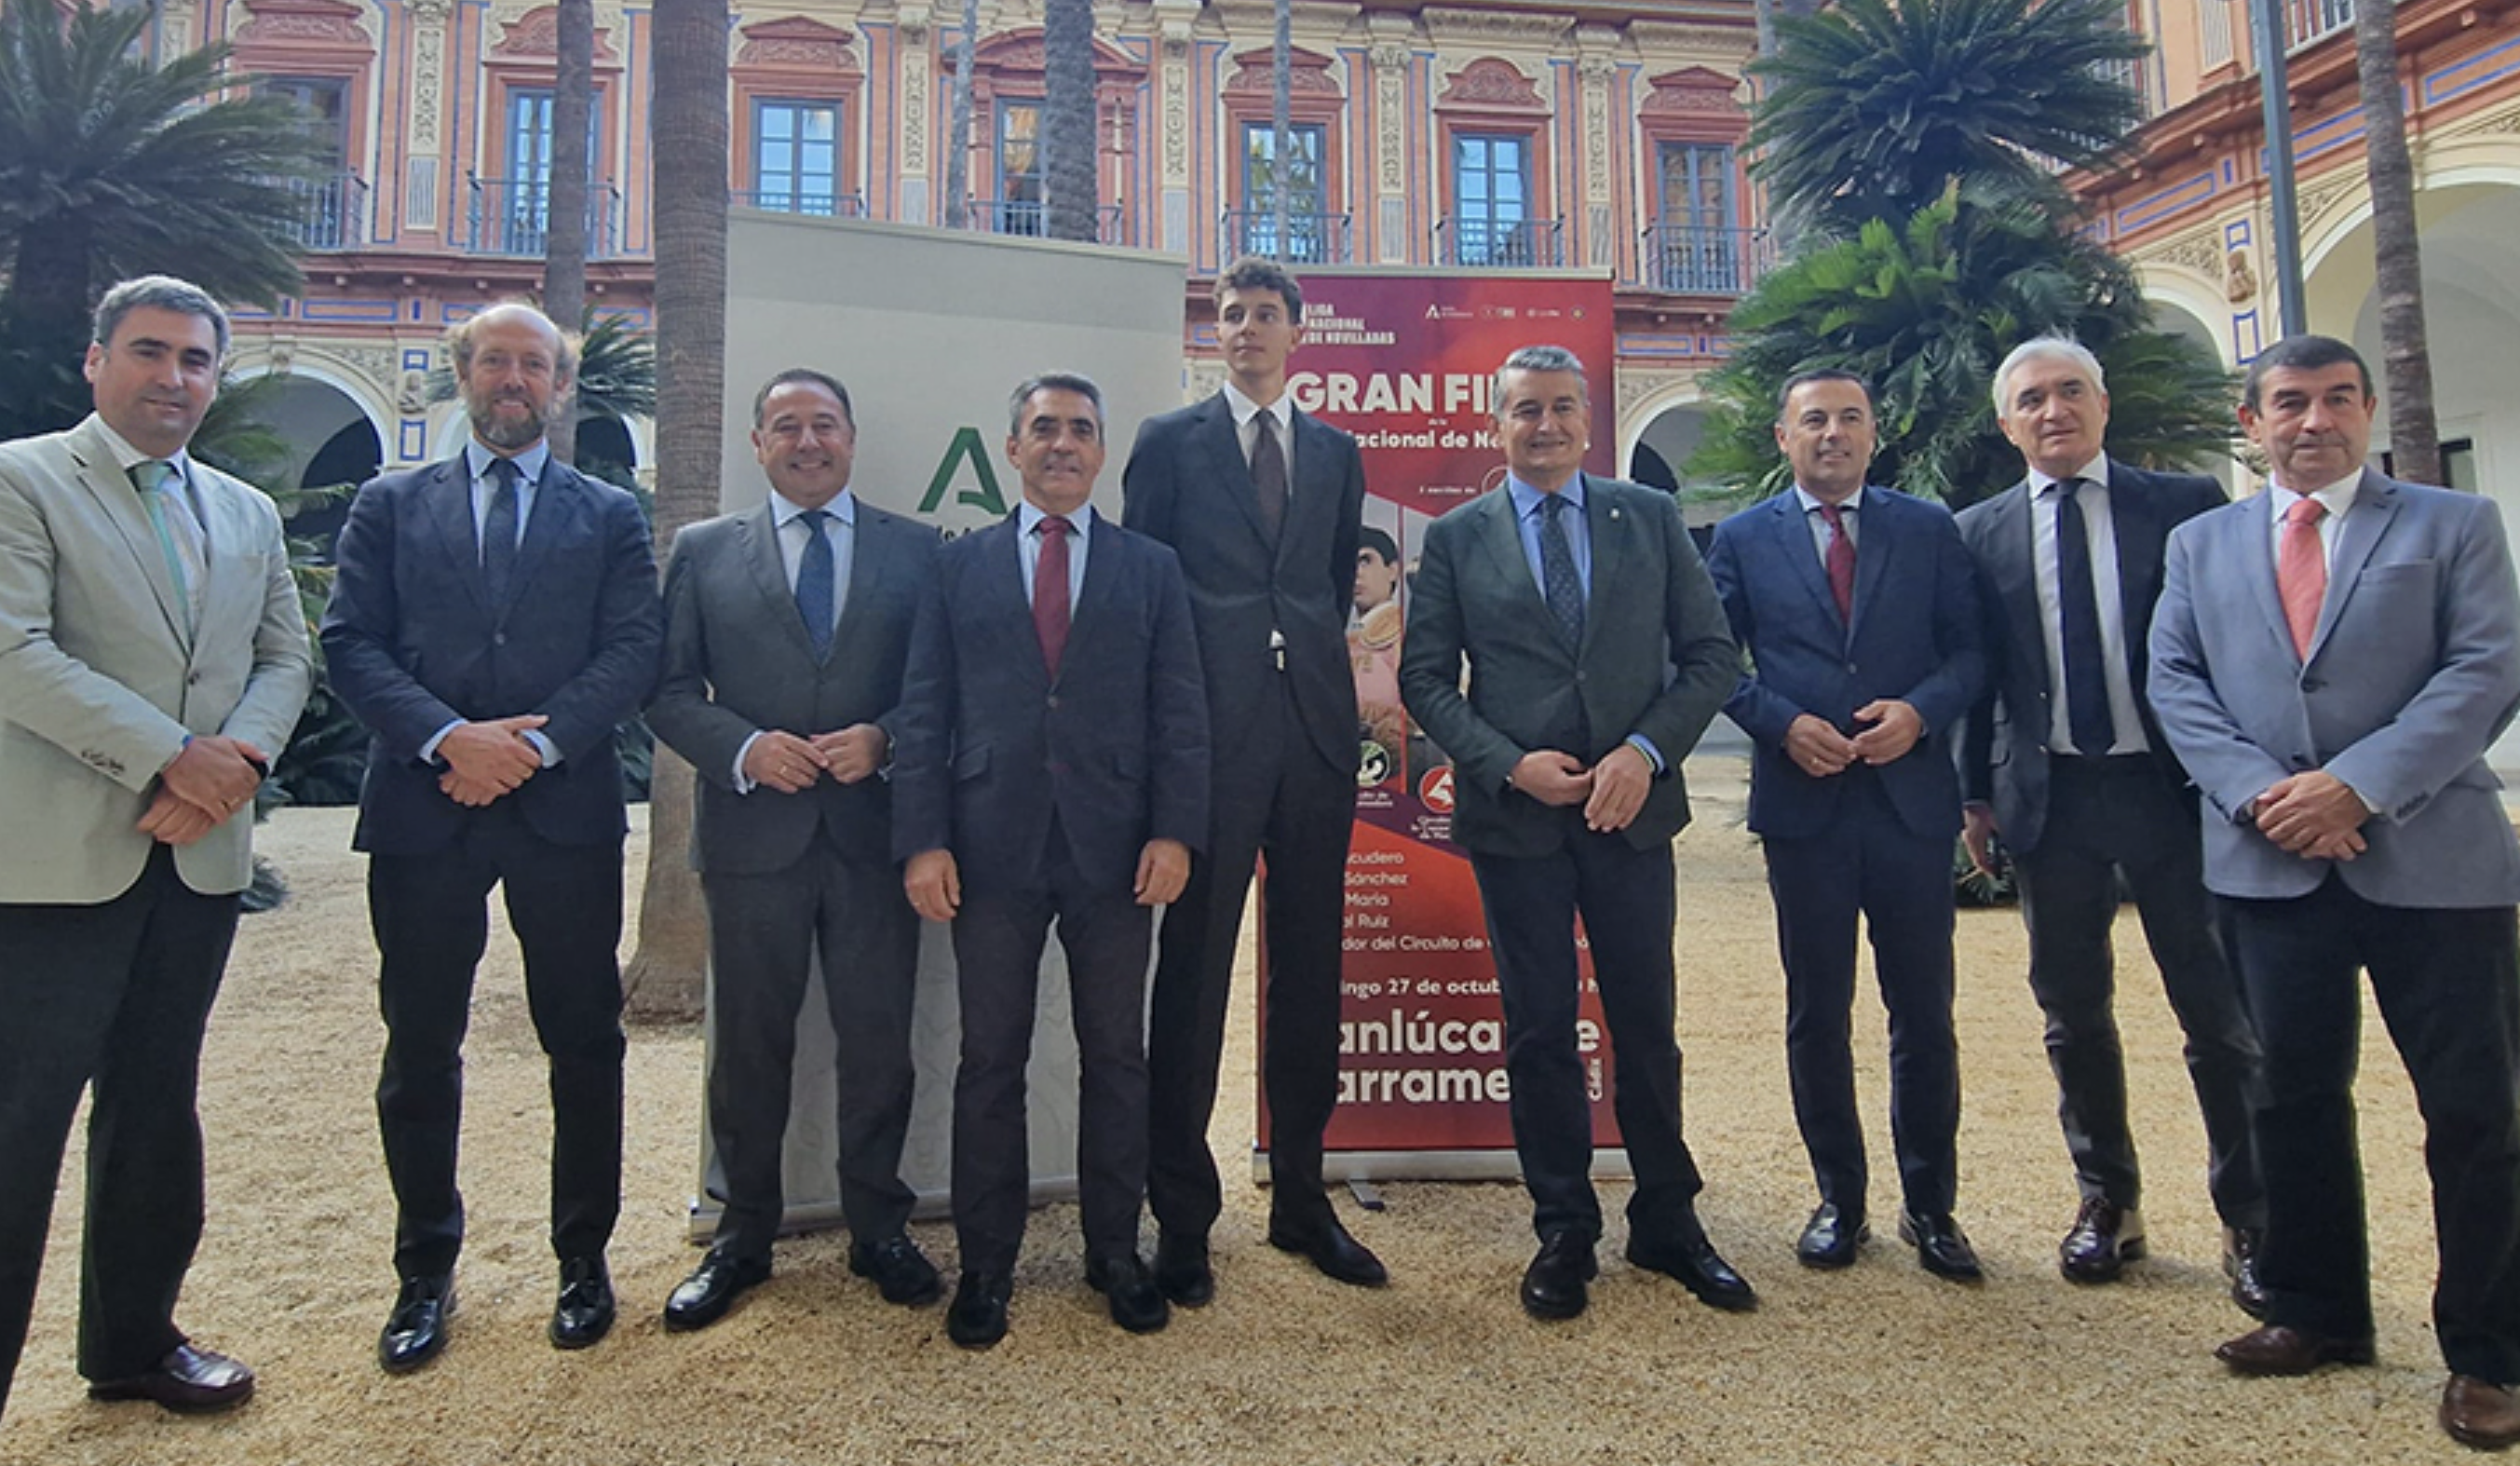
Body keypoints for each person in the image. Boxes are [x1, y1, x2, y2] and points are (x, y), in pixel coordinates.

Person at [2147, 333, 2520, 1451]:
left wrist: (2356, 786)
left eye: (2338, 400)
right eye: (2291, 403)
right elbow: (2177, 680)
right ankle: (2316, 1308)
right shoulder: (2201, 542)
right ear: (2251, 421)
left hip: (2433, 863)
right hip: (2268, 861)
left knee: (2474, 1110)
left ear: (2366, 412)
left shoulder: (2453, 525)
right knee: (2289, 1095)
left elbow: (2486, 668)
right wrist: (2267, 795)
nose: (2316, 421)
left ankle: (2491, 1350)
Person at [320, 301, 663, 1373]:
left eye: (535, 365)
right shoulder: (388, 502)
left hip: (561, 814)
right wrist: (447, 740)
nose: (515, 379)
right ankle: (424, 1268)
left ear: (561, 386)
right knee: (420, 1043)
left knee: (585, 1039)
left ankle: (583, 1258)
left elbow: (635, 647)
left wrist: (538, 746)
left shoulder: (608, 512)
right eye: (496, 361)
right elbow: (351, 642)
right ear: (462, 374)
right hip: (426, 812)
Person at [0, 275, 311, 1420]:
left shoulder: (243, 510)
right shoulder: (21, 478)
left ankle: (133, 1341)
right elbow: (12, 650)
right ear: (97, 361)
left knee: (154, 1106)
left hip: (193, 860)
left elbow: (286, 655)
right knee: (17, 1125)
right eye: (148, 350)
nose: (171, 376)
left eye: (194, 359)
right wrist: (172, 754)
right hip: (53, 865)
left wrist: (238, 765)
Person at [1400, 345, 1754, 1322]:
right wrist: (1509, 761)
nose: (1544, 424)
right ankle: (1563, 1226)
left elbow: (1712, 651)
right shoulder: (1459, 536)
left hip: (1632, 813)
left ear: (1587, 420)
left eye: (1561, 407)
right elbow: (1425, 677)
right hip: (1518, 820)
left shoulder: (1645, 516)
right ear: (1496, 423)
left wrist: (1645, 750)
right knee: (1542, 1028)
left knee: (1647, 1021)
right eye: (1525, 409)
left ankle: (1668, 1218)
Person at [893, 373, 1209, 1350]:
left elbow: (1181, 712)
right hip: (989, 847)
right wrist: (922, 837)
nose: (1062, 444)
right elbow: (923, 710)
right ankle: (985, 1264)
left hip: (1119, 850)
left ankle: (1115, 1249)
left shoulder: (1152, 567)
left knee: (1117, 1057)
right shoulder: (956, 567)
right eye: (1044, 429)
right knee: (990, 1059)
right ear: (1011, 447)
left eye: (1079, 429)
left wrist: (1175, 830)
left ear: (1101, 451)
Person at [1954, 336, 2266, 1306]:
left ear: (2103, 402)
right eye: (2033, 399)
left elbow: (2232, 650)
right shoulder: (1980, 531)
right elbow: (1979, 678)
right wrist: (1975, 793)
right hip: (2053, 796)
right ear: (2008, 424)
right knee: (2073, 1011)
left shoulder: (2185, 512)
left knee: (2216, 1013)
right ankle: (2108, 1203)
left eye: (2071, 392)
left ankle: (2250, 1215)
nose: (2055, 411)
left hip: (2171, 791)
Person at [645, 369, 942, 1331]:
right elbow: (667, 688)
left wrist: (887, 738)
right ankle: (742, 1235)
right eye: (786, 425)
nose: (806, 440)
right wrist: (741, 747)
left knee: (877, 1046)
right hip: (753, 843)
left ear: (852, 437)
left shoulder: (918, 549)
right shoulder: (702, 550)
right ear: (756, 439)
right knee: (750, 1049)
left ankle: (878, 1227)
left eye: (823, 424)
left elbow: (946, 686)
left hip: (871, 841)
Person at [1122, 257, 1382, 1305]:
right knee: (1192, 975)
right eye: (1230, 314)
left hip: (1314, 739)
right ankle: (1182, 1215)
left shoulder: (1334, 451)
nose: (1246, 328)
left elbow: (1322, 591)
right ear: (1214, 332)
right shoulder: (1166, 444)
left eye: (1266, 314)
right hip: (1208, 742)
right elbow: (1142, 587)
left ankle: (1302, 1197)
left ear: (1296, 331)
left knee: (1309, 972)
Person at [1705, 370, 1986, 1282]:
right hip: (1806, 803)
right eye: (1814, 419)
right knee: (1817, 1010)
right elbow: (1708, 657)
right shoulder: (1745, 539)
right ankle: (1840, 1197)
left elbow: (1972, 650)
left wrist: (1920, 711)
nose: (1833, 433)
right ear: (1784, 437)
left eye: (1850, 418)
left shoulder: (1927, 526)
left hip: (1908, 803)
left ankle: (1931, 1205)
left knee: (1924, 1012)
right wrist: (1780, 722)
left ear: (1874, 435)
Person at [1350, 526, 1408, 762]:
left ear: (1393, 570)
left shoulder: (1402, 635)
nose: (1355, 573)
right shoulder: (1351, 637)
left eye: (1366, 561)